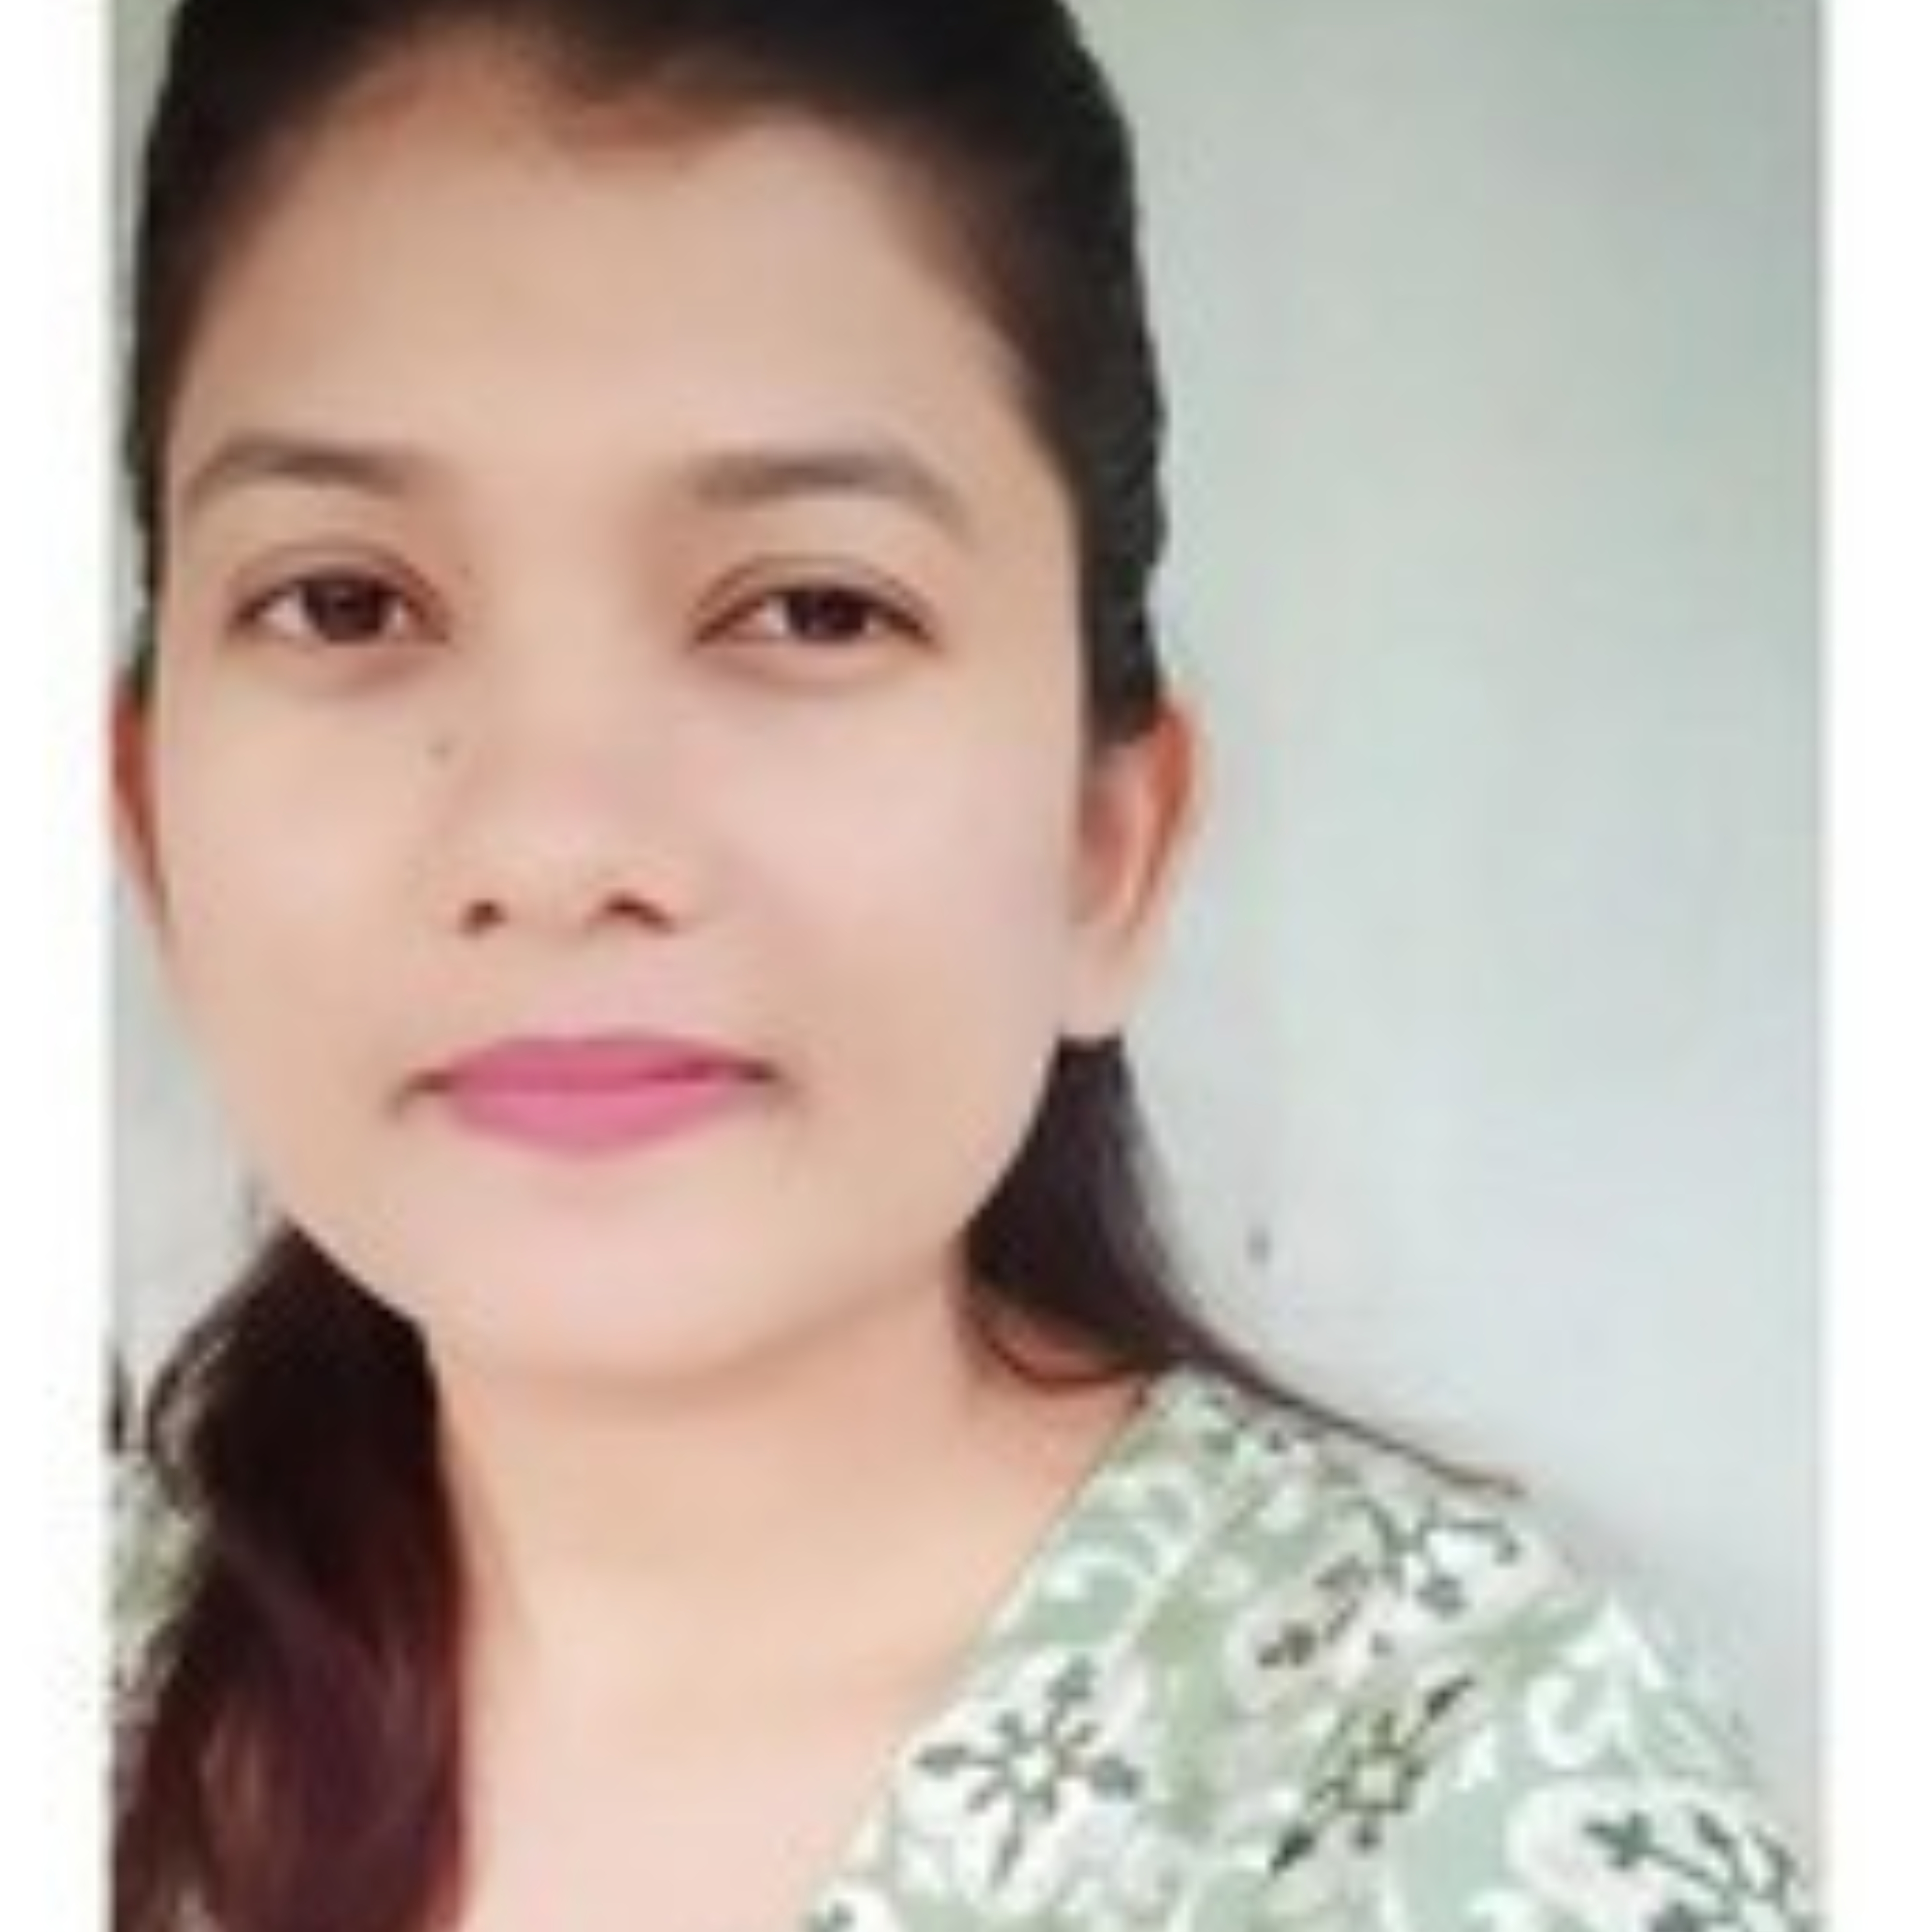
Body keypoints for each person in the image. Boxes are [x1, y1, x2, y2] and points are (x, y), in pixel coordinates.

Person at [110, 1, 1816, 1929]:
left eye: (811, 609)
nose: (555, 844)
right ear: (151, 823)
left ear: (1108, 846)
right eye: (344, 601)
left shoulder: (1471, 1795)